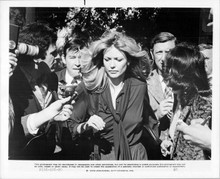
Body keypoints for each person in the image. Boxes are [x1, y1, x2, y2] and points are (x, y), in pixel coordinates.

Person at [70, 29, 151, 160]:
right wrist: (86, 125)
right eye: (107, 59)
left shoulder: (139, 86)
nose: (112, 65)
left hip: (135, 156)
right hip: (104, 157)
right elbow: (71, 126)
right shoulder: (90, 87)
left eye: (118, 59)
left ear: (128, 61)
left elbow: (148, 121)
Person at [9, 22, 64, 159]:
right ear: (36, 56)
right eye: (53, 53)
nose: (58, 57)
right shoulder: (10, 80)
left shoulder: (52, 79)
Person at [162, 42, 212, 160]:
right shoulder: (178, 97)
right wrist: (170, 143)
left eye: (173, 69)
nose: (168, 73)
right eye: (168, 68)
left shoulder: (205, 104)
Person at [55, 31, 92, 159]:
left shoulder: (91, 83)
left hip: (82, 151)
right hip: (54, 150)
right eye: (72, 57)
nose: (78, 63)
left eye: (81, 58)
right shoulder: (52, 79)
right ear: (64, 59)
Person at [146, 32, 177, 159]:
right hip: (154, 153)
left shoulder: (188, 81)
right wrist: (157, 115)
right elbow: (136, 124)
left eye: (169, 52)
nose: (164, 58)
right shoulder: (144, 83)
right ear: (152, 54)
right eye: (159, 52)